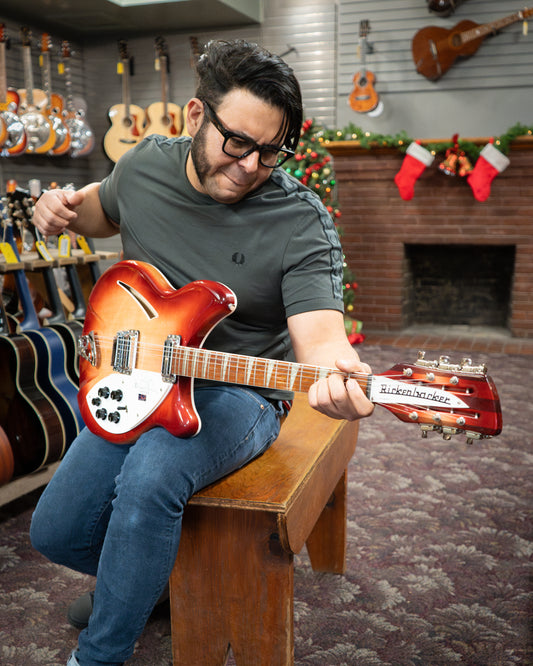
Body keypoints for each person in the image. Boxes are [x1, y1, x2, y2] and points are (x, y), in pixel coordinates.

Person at [30, 39, 374, 666]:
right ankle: (150, 578)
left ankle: (100, 653)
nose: (249, 166)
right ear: (195, 117)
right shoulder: (142, 167)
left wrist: (336, 379)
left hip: (237, 392)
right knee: (54, 531)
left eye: (271, 153)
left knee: (151, 477)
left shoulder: (300, 219)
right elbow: (100, 212)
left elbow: (322, 339)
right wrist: (61, 209)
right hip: (136, 376)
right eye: (237, 142)